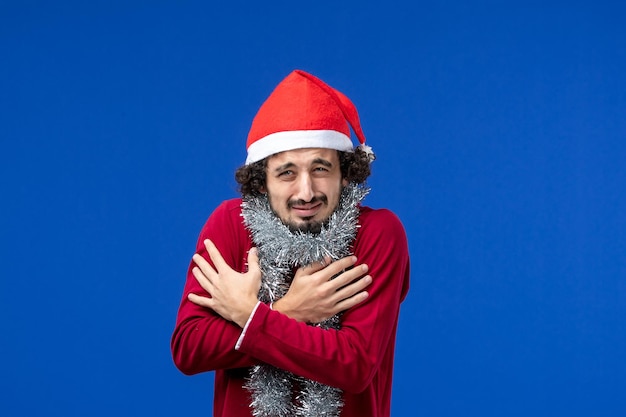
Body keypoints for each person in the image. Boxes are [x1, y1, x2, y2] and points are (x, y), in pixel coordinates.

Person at [171, 69, 410, 417]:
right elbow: (189, 349)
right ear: (261, 181)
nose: (306, 191)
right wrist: (290, 311)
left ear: (345, 174)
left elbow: (355, 364)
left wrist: (246, 315)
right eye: (286, 172)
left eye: (320, 168)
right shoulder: (230, 223)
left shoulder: (378, 232)